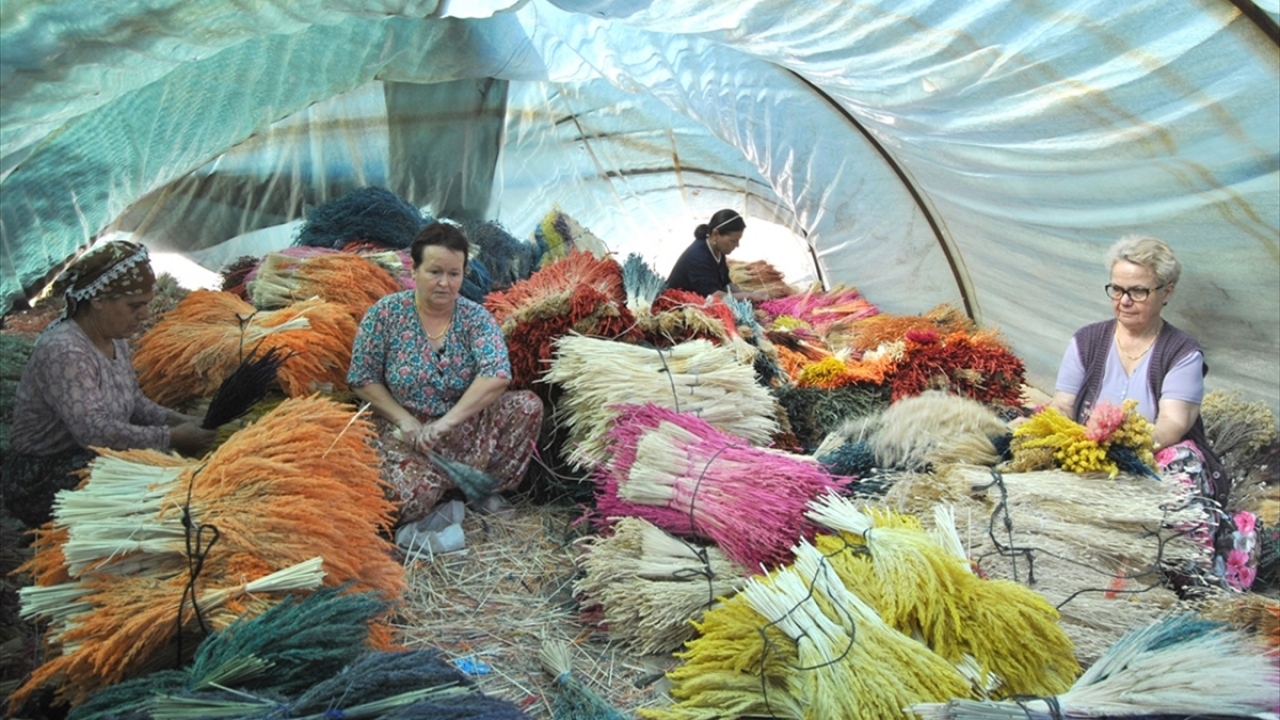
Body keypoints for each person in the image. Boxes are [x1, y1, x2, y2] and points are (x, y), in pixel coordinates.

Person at [2, 241, 216, 528]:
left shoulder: (115, 339)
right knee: (150, 482)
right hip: (43, 475)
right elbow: (94, 432)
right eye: (134, 306)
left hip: (89, 455)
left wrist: (175, 419)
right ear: (99, 298)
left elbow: (135, 401)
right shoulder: (66, 350)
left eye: (146, 305)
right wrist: (172, 437)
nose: (144, 315)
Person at [347, 222, 543, 525]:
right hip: (406, 433)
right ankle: (442, 491)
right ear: (414, 270)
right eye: (435, 272)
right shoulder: (386, 314)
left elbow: (497, 375)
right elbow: (362, 378)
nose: (445, 283)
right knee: (406, 505)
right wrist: (404, 419)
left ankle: (482, 491)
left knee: (528, 406)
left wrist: (446, 423)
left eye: (454, 274)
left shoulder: (474, 318)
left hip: (461, 427)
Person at [1047, 235, 1226, 507]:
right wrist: (1058, 431)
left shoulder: (1182, 352)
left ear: (1167, 292)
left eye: (1138, 291)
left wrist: (1127, 446)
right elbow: (1063, 404)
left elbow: (1173, 424)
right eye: (1117, 290)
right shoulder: (1086, 341)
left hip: (1151, 461)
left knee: (1174, 475)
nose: (1125, 301)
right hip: (1089, 458)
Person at [665, 209, 768, 301]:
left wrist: (746, 294)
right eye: (733, 241)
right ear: (715, 234)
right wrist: (749, 296)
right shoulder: (698, 257)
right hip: (675, 306)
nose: (737, 245)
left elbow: (726, 283)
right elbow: (715, 296)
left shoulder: (718, 250)